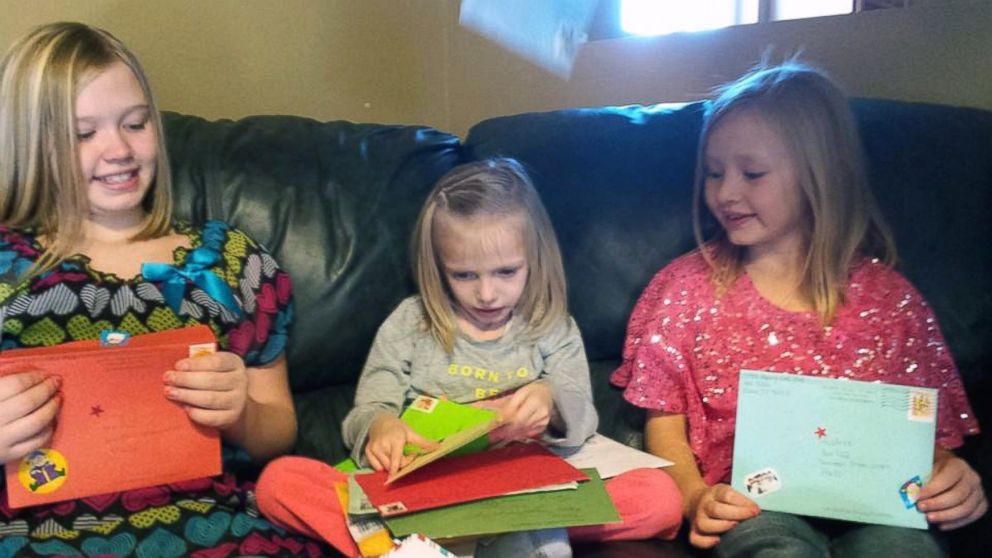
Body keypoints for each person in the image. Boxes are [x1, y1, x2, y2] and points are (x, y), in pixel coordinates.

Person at [611, 60, 986, 557]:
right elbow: (665, 420)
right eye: (714, 173)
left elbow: (925, 437)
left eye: (753, 173)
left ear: (820, 175)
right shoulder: (687, 288)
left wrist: (952, 478)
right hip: (752, 506)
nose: (726, 193)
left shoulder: (891, 302)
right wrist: (694, 496)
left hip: (881, 506)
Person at [0, 22, 321, 555]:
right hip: (44, 532)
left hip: (216, 526)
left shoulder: (231, 262)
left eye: (136, 123)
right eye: (84, 134)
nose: (119, 149)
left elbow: (278, 429)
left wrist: (242, 412)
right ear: (33, 144)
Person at [257, 158, 683, 556]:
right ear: (438, 267)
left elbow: (583, 420)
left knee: (659, 497)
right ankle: (424, 541)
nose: (486, 293)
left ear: (535, 259)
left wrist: (551, 400)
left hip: (525, 492)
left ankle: (409, 546)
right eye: (463, 275)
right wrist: (382, 428)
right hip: (425, 495)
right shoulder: (410, 323)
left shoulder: (552, 324)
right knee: (280, 482)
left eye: (506, 272)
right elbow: (369, 408)